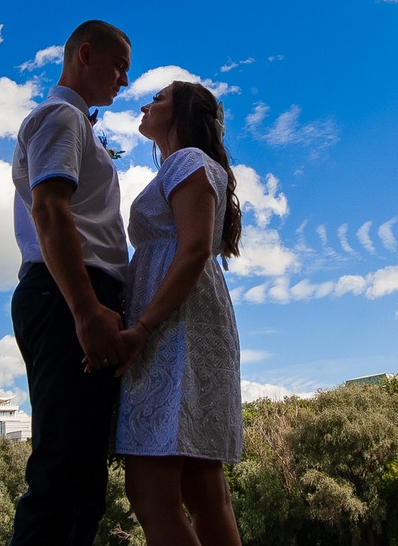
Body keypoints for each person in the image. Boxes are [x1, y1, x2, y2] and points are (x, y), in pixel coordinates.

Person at [9, 20, 134, 546]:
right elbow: (50, 209)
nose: (124, 80)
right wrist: (85, 310)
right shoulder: (61, 116)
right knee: (64, 475)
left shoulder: (74, 122)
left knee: (80, 475)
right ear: (85, 54)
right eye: (119, 66)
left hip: (73, 296)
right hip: (69, 296)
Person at [113, 79, 244, 546]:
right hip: (187, 324)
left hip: (174, 329)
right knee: (204, 491)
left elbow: (192, 250)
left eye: (159, 98)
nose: (145, 105)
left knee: (151, 496)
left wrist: (143, 327)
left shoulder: (188, 160)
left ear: (184, 112)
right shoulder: (187, 164)